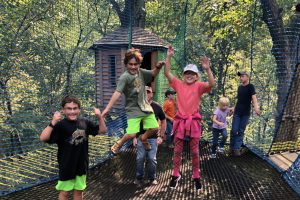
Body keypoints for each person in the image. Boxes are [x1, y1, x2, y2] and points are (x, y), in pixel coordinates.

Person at [164, 46, 215, 191]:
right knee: (177, 151)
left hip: (193, 122)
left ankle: (196, 175)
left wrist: (207, 69)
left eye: (192, 73)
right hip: (180, 121)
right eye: (187, 73)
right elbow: (167, 73)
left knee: (195, 151)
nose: (189, 75)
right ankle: (175, 174)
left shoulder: (199, 86)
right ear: (183, 74)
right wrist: (169, 56)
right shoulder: (179, 84)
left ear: (196, 75)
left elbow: (211, 84)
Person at [40, 95, 107, 200]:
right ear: (63, 110)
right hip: (66, 165)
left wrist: (100, 117)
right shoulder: (60, 125)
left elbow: (102, 131)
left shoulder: (85, 122)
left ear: (79, 109)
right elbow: (43, 138)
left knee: (79, 193)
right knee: (64, 193)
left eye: (75, 108)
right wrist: (53, 122)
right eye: (69, 108)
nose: (72, 111)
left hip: (81, 165)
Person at [101, 48, 164, 154]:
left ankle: (143, 138)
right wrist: (108, 108)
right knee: (131, 134)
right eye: (131, 64)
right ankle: (119, 144)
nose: (133, 67)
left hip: (145, 107)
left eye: (136, 64)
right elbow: (117, 92)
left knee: (154, 128)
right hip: (133, 109)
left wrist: (158, 67)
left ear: (139, 64)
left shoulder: (141, 73)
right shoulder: (124, 77)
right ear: (126, 64)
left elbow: (153, 74)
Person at [133, 86, 166, 187]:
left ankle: (152, 178)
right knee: (140, 158)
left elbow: (163, 121)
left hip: (152, 138)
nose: (146, 94)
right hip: (140, 136)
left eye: (148, 92)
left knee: (152, 158)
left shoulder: (157, 107)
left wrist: (161, 136)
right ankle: (139, 178)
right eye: (144, 92)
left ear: (151, 94)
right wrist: (134, 137)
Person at [230, 71, 260, 156]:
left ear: (248, 77)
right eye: (240, 76)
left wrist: (256, 108)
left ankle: (236, 149)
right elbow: (238, 100)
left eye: (243, 76)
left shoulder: (251, 87)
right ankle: (231, 147)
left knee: (240, 130)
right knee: (234, 130)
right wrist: (233, 108)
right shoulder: (240, 87)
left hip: (245, 113)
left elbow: (254, 98)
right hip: (237, 112)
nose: (241, 78)